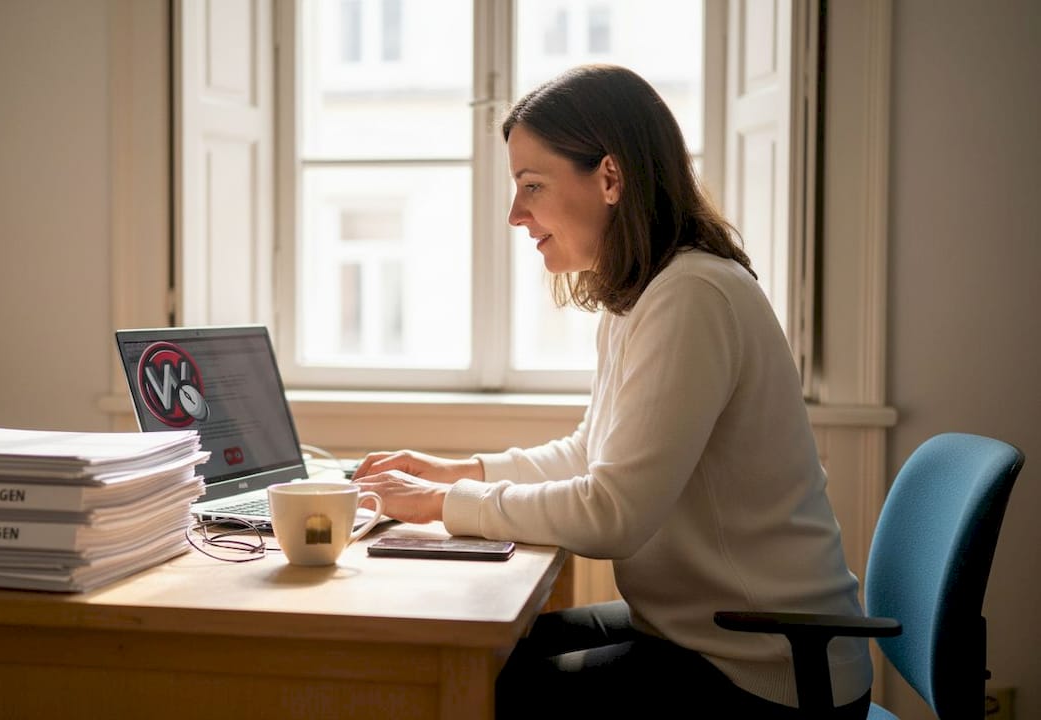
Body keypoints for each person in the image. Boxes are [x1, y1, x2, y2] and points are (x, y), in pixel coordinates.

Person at [352, 64, 872, 719]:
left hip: (763, 674)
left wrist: (442, 503)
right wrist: (459, 472)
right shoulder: (646, 294)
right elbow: (592, 453)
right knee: (480, 655)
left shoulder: (693, 297)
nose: (516, 214)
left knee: (479, 689)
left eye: (531, 186)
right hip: (709, 636)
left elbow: (614, 514)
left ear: (610, 178)